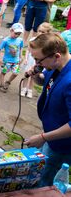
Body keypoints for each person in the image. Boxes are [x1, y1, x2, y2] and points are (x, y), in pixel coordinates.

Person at [24, 33, 71, 187]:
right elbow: (46, 81)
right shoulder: (55, 66)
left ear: (56, 56)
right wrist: (37, 75)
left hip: (61, 145)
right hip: (51, 133)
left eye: (39, 60)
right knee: (37, 169)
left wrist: (44, 137)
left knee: (43, 179)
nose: (37, 63)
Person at [21, 22, 53, 98]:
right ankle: (23, 88)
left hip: (39, 62)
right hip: (30, 59)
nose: (40, 33)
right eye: (39, 31)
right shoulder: (32, 39)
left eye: (43, 32)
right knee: (27, 74)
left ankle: (30, 89)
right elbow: (28, 50)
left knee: (34, 76)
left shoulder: (47, 43)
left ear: (47, 33)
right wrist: (25, 58)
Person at [0, 23, 24, 92]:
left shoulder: (20, 40)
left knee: (16, 73)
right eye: (16, 33)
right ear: (11, 30)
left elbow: (20, 48)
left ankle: (8, 82)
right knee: (3, 73)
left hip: (16, 61)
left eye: (19, 34)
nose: (17, 35)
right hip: (7, 61)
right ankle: (2, 85)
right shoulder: (6, 40)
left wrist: (21, 57)